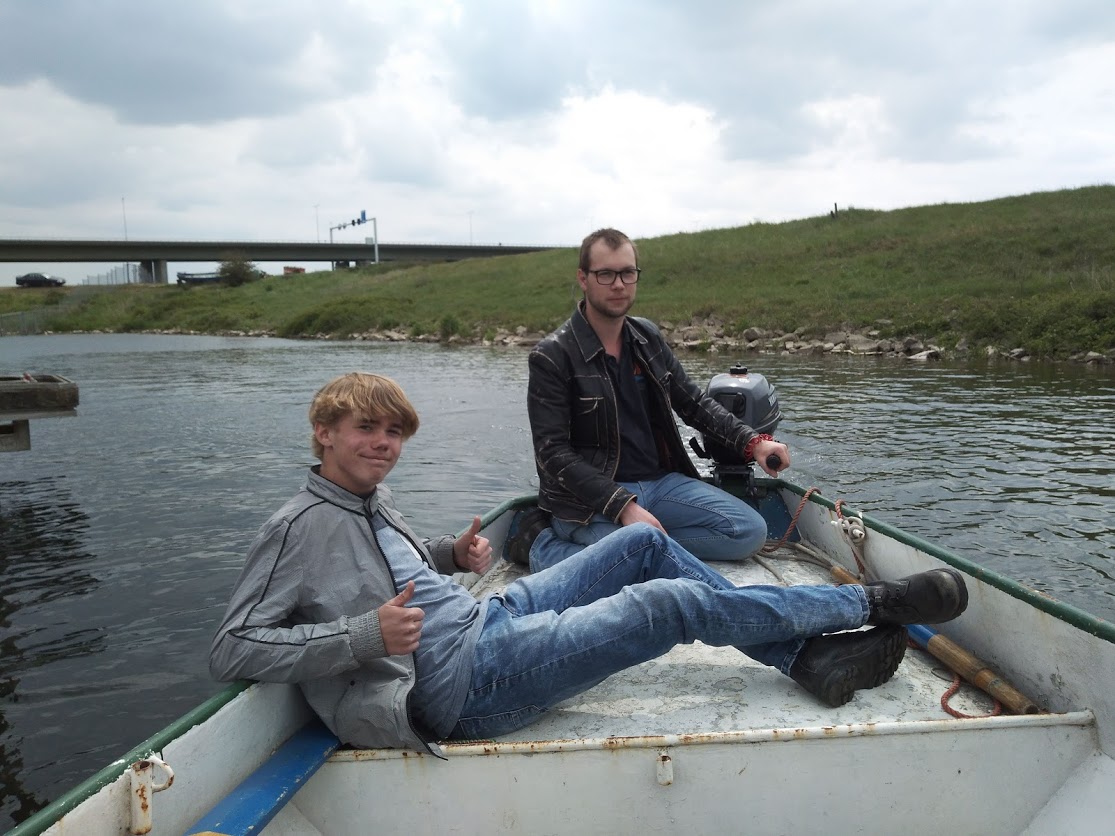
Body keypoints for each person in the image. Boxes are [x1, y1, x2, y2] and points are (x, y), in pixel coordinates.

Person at [209, 372, 969, 753]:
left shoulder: (367, 500)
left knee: (637, 543)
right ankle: (868, 607)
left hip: (484, 618)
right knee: (660, 606)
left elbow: (381, 573)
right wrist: (368, 638)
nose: (382, 444)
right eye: (364, 430)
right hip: (460, 683)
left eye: (392, 434)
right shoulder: (296, 525)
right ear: (322, 433)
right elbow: (233, 646)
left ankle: (803, 657)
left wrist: (450, 554)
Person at [515, 227, 790, 573]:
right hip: (589, 502)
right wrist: (622, 506)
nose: (618, 284)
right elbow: (552, 453)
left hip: (660, 485)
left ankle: (642, 548)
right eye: (606, 274)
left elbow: (693, 403)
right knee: (630, 558)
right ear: (583, 279)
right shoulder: (553, 355)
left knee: (749, 532)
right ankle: (543, 548)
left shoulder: (647, 337)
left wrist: (753, 442)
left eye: (627, 273)